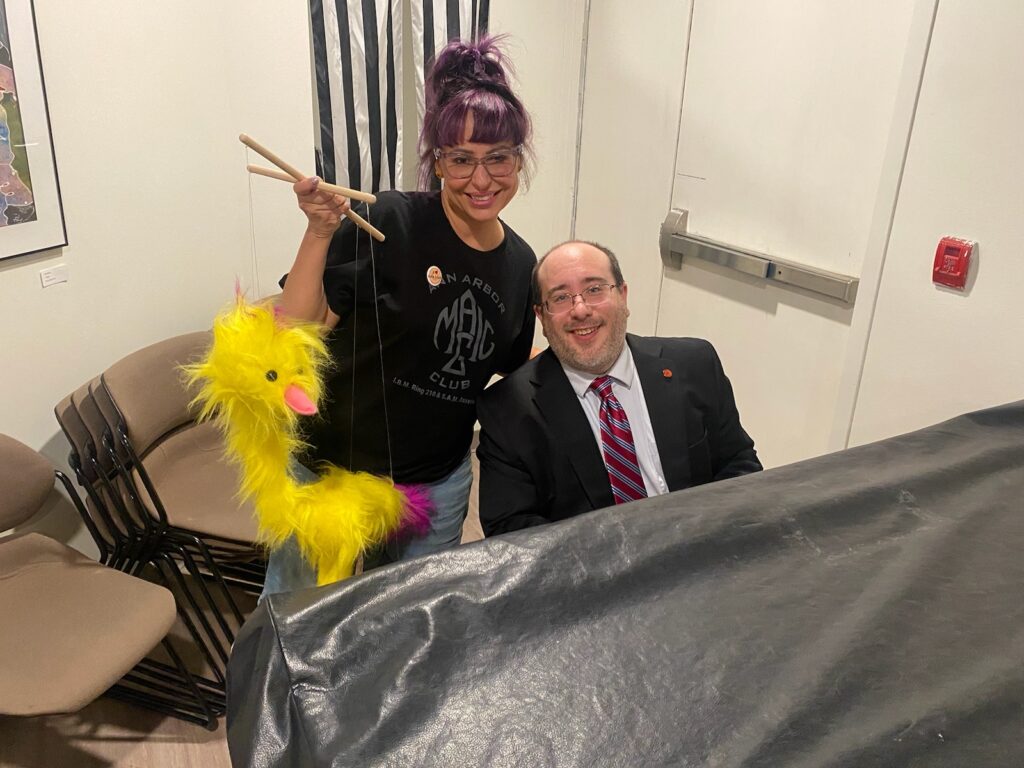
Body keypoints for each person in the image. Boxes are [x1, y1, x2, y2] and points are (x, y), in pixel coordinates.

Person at [264, 36, 537, 594]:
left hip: (436, 483)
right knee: (295, 618)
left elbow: (508, 363)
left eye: (498, 158)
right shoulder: (390, 220)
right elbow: (296, 331)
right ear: (437, 162)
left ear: (518, 160)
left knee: (410, 621)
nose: (481, 179)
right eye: (461, 159)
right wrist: (319, 230)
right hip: (330, 468)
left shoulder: (520, 263)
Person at [476, 240, 762, 536]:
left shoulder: (695, 365)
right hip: (591, 561)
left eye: (594, 289)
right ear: (541, 317)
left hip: (698, 543)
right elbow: (511, 529)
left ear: (623, 296)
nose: (580, 309)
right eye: (560, 297)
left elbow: (739, 466)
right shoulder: (508, 409)